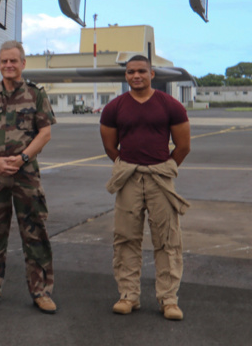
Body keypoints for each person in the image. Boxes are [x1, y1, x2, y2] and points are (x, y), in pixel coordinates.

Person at [0, 40, 58, 314]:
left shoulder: (36, 94)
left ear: (23, 63)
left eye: (13, 61)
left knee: (35, 233)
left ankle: (41, 292)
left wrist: (23, 158)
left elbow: (45, 133)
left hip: (25, 175)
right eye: (4, 61)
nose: (8, 65)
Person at [99, 55, 191, 321]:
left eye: (141, 71)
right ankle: (128, 296)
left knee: (168, 239)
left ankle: (169, 299)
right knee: (126, 237)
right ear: (125, 75)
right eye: (130, 72)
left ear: (152, 74)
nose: (135, 76)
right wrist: (126, 164)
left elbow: (183, 146)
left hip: (160, 177)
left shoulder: (170, 105)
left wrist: (165, 167)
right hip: (128, 176)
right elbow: (109, 146)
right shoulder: (114, 108)